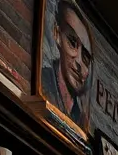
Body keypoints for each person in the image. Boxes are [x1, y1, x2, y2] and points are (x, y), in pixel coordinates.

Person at [41, 0, 94, 132]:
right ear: (57, 34)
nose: (79, 62)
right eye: (72, 42)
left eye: (86, 58)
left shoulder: (80, 117)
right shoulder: (42, 82)